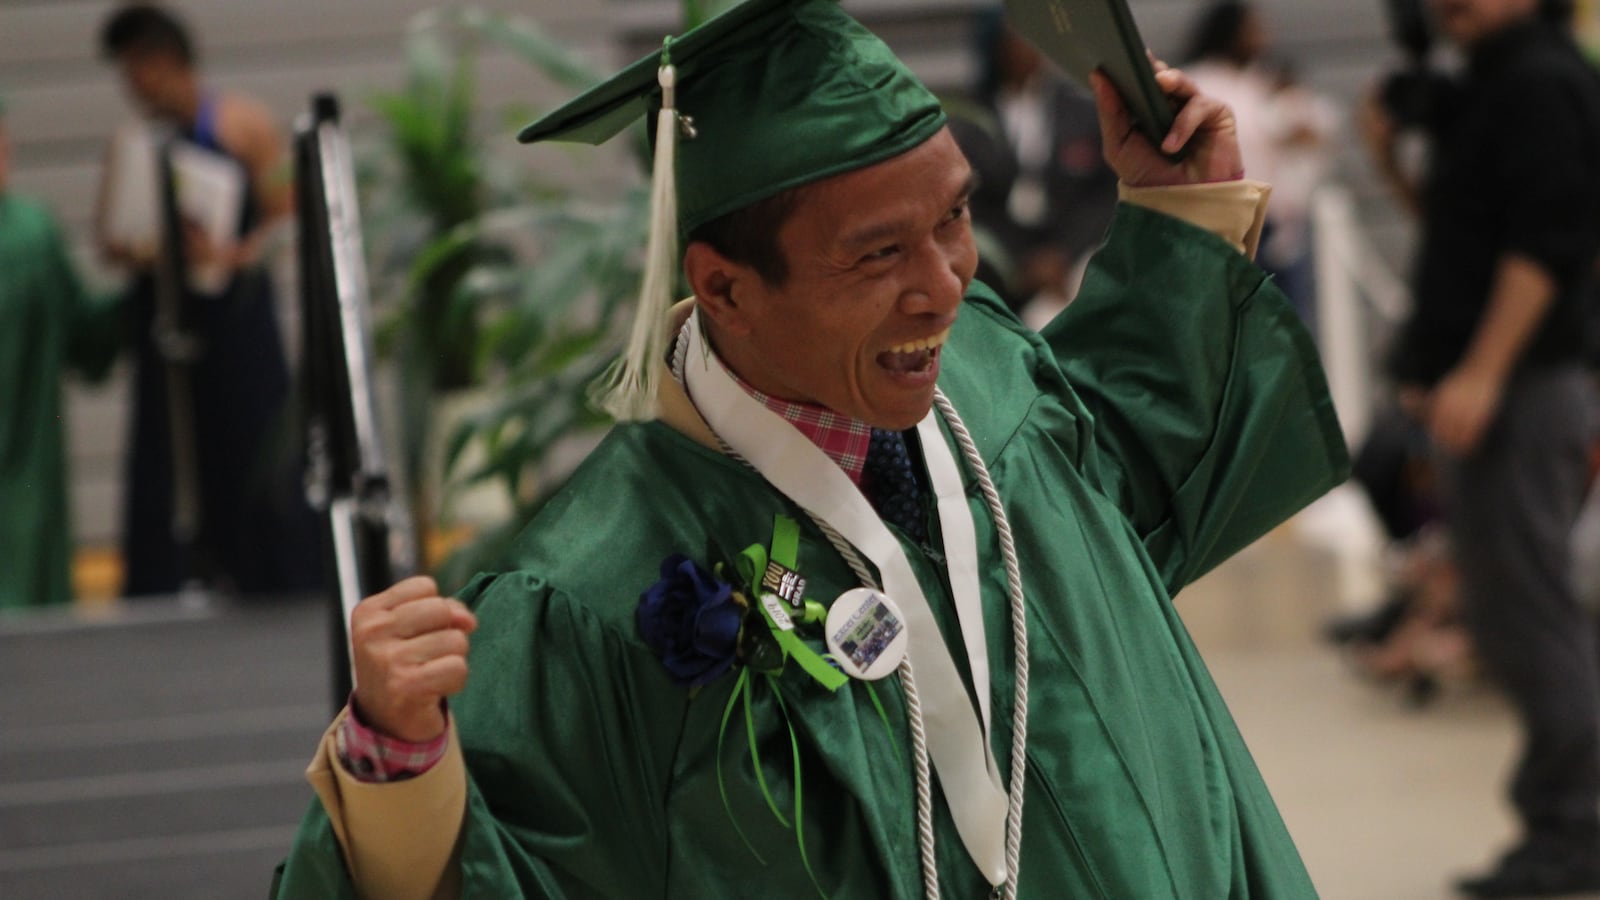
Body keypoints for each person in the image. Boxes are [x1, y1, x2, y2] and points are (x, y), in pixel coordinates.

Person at [273, 0, 1348, 896]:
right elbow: (523, 872)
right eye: (878, 253)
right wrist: (396, 761)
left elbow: (1134, 493)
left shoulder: (988, 378)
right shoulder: (592, 590)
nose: (945, 283)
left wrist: (1180, 210)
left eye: (954, 219)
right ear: (725, 288)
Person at [1362, 0, 1600, 894]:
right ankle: (1567, 817)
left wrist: (1486, 371)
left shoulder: (1541, 82)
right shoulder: (1497, 81)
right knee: (1508, 609)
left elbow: (1548, 245)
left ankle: (1575, 824)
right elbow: (1466, 236)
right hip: (1501, 384)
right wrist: (1390, 155)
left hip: (1525, 391)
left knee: (1529, 609)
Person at [96, 3, 320, 599]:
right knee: (163, 445)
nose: (131, 87)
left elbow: (286, 218)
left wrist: (230, 255)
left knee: (252, 432)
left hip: (234, 309)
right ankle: (165, 576)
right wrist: (149, 250)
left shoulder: (242, 124)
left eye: (135, 71)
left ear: (164, 63)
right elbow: (109, 241)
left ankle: (275, 568)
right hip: (164, 306)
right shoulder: (134, 143)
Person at [0, 99, 123, 610]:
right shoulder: (34, 233)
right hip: (27, 493)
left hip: (27, 488)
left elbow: (85, 337)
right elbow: (90, 343)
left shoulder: (33, 232)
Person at [948, 10, 1118, 322]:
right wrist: (1018, 261)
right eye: (1015, 39)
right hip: (999, 261)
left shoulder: (1082, 111)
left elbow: (1100, 194)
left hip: (1071, 253)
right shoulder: (970, 115)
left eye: (1033, 39)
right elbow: (969, 199)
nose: (1027, 49)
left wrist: (1064, 253)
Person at [1182, 2, 1336, 328]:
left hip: (1274, 227)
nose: (1263, 37)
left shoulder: (1265, 81)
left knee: (1281, 328)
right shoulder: (1201, 80)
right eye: (1253, 29)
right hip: (1220, 225)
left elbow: (1315, 126)